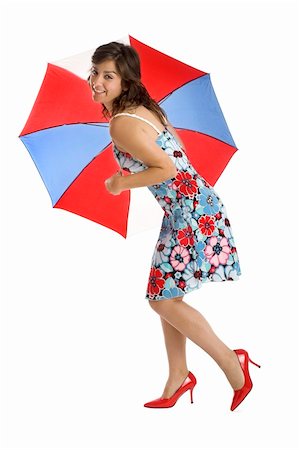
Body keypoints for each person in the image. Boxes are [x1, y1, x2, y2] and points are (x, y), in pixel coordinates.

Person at [87, 41, 261, 411]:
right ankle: (179, 374)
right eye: (96, 72)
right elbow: (176, 159)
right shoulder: (144, 109)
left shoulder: (121, 125)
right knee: (167, 296)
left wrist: (120, 183)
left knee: (161, 299)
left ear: (125, 80)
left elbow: (166, 168)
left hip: (190, 212)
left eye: (108, 76)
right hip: (192, 207)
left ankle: (234, 364)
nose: (97, 82)